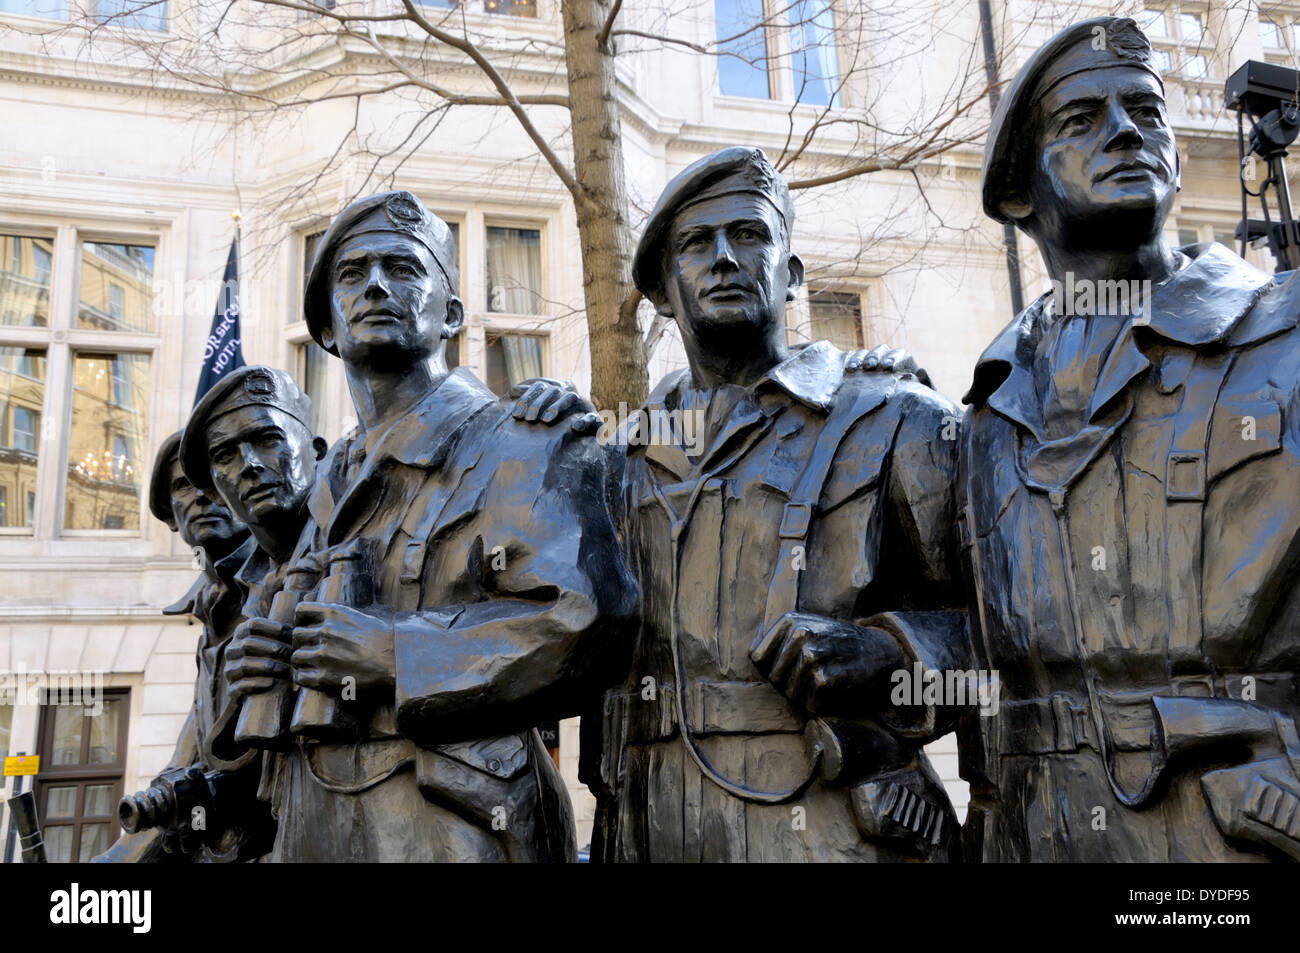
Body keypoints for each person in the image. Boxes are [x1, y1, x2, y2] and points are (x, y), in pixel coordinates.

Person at [959, 16, 1300, 862]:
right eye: (1083, 121)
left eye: (1146, 113)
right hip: (1037, 831)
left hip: (1235, 836)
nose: (1126, 131)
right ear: (1019, 196)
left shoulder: (1287, 335)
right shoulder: (988, 410)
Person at [230, 189, 637, 861]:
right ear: (327, 328)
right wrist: (276, 657)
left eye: (404, 267)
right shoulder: (329, 486)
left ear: (450, 315)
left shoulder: (522, 441)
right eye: (352, 274)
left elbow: (586, 622)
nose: (377, 285)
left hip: (460, 825)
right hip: (317, 823)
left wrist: (394, 651)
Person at [588, 147, 969, 862]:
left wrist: (888, 655)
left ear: (792, 273)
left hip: (827, 822)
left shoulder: (895, 419)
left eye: (750, 235)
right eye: (697, 244)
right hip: (656, 818)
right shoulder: (621, 458)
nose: (724, 258)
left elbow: (1006, 638)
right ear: (665, 292)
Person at [95, 430, 254, 862]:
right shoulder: (212, 603)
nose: (201, 496)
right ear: (169, 514)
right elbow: (188, 764)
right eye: (183, 485)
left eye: (212, 478)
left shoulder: (285, 584)